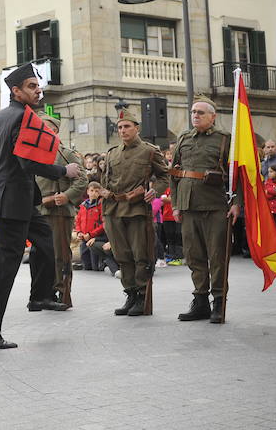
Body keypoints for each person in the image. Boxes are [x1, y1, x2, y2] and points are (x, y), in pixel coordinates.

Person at [0, 63, 83, 349]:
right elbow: (26, 161)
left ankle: (40, 295)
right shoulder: (23, 117)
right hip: (11, 201)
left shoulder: (0, 118)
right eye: (32, 86)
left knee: (45, 242)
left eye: (38, 85)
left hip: (13, 197)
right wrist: (63, 172)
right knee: (6, 268)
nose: (38, 90)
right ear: (16, 90)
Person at [169, 96, 240, 323]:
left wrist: (237, 202)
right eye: (193, 112)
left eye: (200, 112)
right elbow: (175, 174)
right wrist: (176, 204)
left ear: (213, 116)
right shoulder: (184, 138)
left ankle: (219, 301)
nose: (195, 116)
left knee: (217, 257)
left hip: (216, 205)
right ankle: (200, 301)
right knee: (194, 256)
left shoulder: (224, 139)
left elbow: (238, 173)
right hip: (188, 206)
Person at [100, 107, 169, 317]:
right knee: (122, 255)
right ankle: (130, 293)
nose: (122, 130)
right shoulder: (112, 153)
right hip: (113, 208)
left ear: (136, 128)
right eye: (120, 127)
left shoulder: (149, 151)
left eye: (127, 126)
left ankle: (141, 295)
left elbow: (165, 176)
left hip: (137, 209)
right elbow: (106, 181)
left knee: (141, 255)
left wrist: (154, 191)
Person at [36, 114, 87, 307]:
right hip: (39, 211)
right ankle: (46, 291)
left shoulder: (66, 154)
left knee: (60, 254)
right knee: (41, 254)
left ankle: (62, 291)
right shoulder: (34, 153)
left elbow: (82, 180)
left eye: (44, 127)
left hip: (59, 212)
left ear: (54, 131)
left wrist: (66, 196)